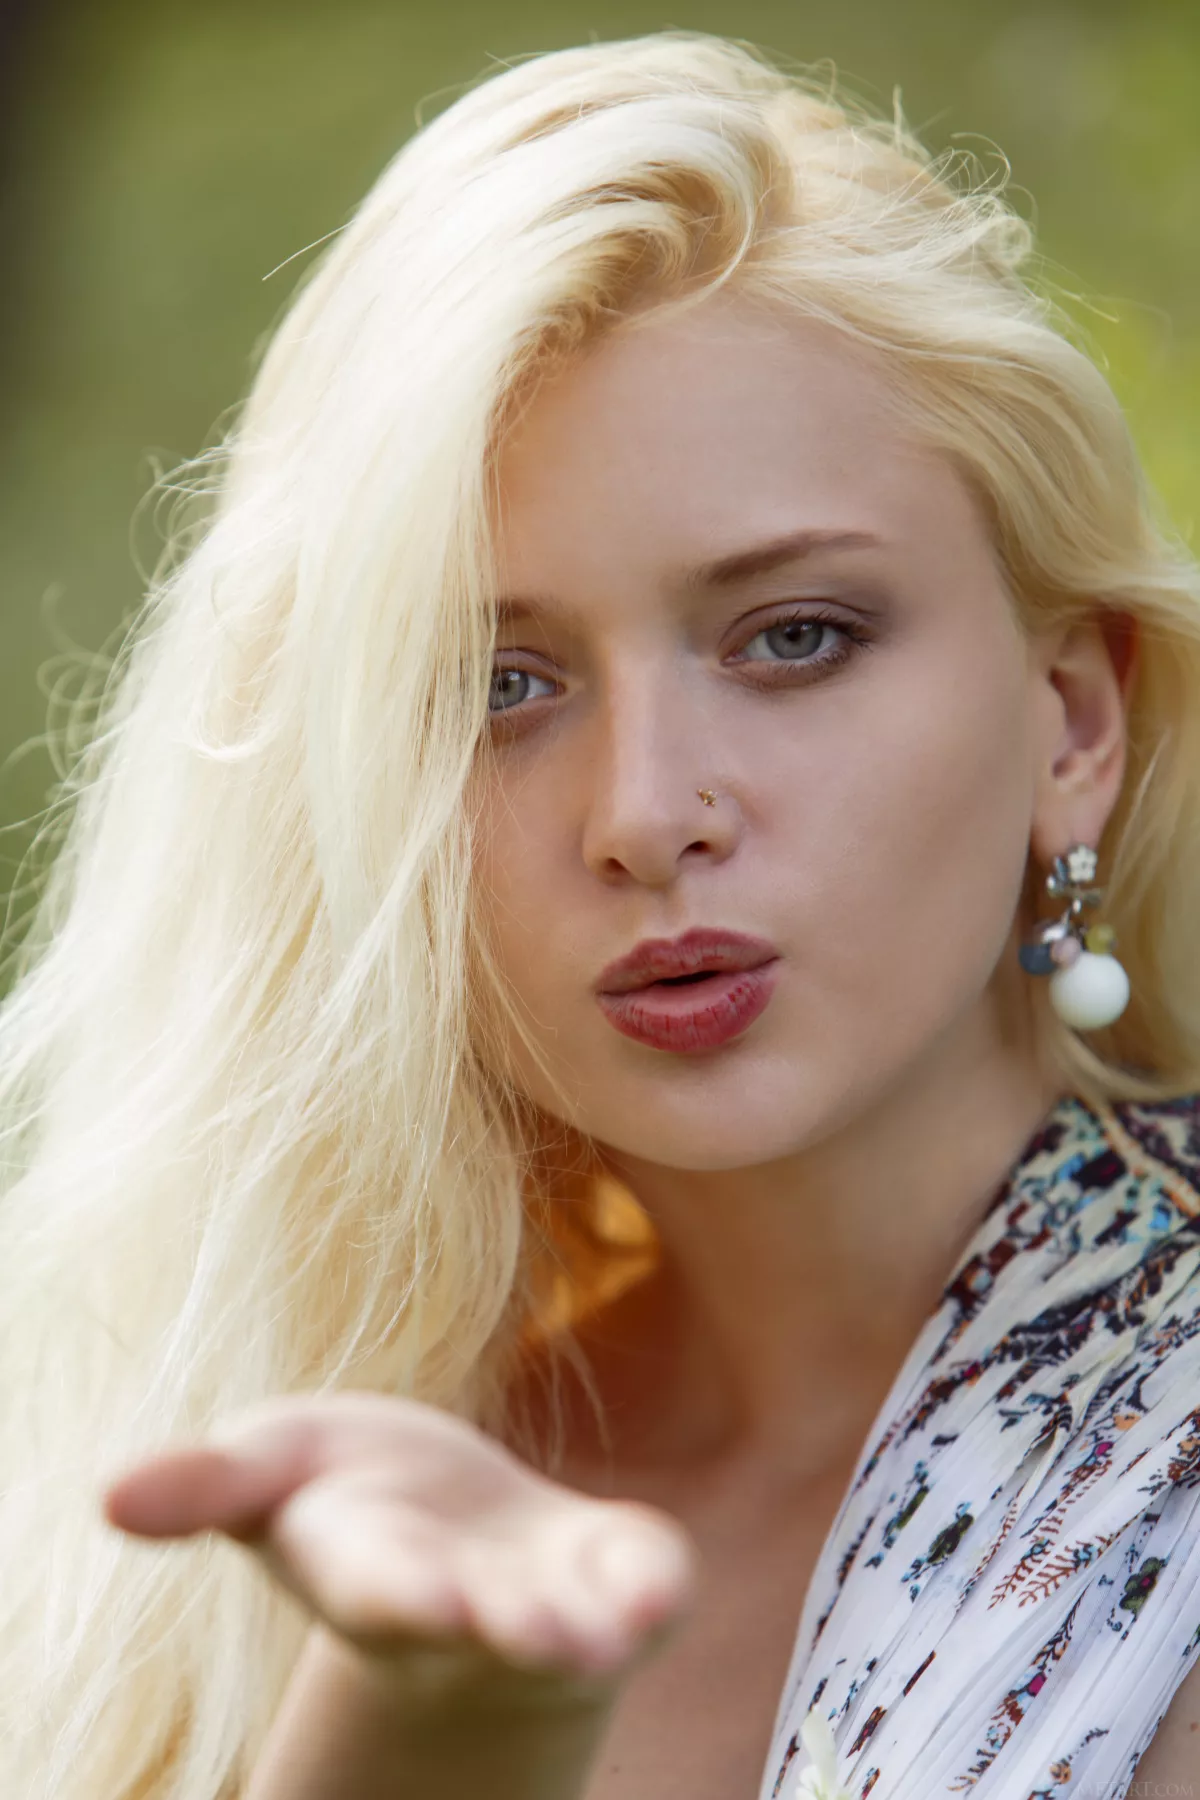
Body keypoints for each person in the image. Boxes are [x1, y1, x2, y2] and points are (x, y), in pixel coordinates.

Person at [0, 27, 1198, 1800]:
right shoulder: (318, 1506)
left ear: (1073, 722)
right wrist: (413, 1731)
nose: (645, 814)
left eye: (795, 637)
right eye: (499, 686)